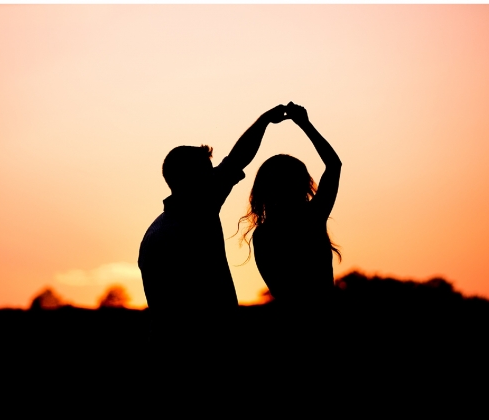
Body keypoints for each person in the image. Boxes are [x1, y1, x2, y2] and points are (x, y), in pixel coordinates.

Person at [138, 104, 289, 358]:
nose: (215, 178)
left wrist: (264, 121)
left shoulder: (173, 222)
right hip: (193, 352)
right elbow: (237, 159)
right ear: (189, 180)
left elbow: (236, 159)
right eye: (207, 174)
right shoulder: (184, 221)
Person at [239, 102, 342, 310]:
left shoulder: (264, 234)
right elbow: (333, 164)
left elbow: (280, 290)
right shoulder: (313, 215)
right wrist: (305, 124)